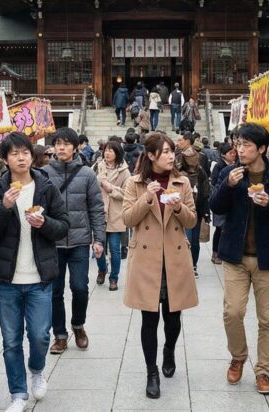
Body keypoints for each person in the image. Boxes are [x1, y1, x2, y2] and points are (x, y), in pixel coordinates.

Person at [0, 132, 70, 411]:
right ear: (5, 159)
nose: (21, 157)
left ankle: (37, 369)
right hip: (7, 280)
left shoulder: (46, 188)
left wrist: (44, 223)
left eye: (25, 152)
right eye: (14, 153)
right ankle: (18, 394)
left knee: (41, 335)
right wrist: (4, 207)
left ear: (32, 156)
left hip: (40, 278)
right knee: (10, 340)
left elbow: (64, 226)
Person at [209, 124, 269, 395]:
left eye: (246, 145)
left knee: (268, 318)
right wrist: (228, 185)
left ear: (261, 149)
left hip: (268, 258)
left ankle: (264, 371)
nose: (240, 149)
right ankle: (238, 356)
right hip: (235, 256)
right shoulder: (229, 173)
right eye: (238, 143)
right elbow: (215, 207)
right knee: (232, 312)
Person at [122, 132, 199, 399]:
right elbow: (127, 220)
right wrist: (147, 198)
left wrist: (178, 208)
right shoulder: (135, 183)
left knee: (173, 316)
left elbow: (192, 221)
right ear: (152, 155)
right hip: (146, 260)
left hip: (174, 258)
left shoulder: (182, 182)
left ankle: (169, 349)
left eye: (171, 151)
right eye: (165, 152)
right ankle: (151, 372)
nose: (170, 156)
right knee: (148, 318)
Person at [41, 127, 106, 355]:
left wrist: (99, 239)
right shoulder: (44, 173)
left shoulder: (87, 174)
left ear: (76, 147)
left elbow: (97, 208)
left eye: (66, 144)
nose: (61, 147)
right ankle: (59, 334)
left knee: (79, 287)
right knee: (55, 291)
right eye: (58, 143)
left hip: (79, 241)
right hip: (52, 243)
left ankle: (78, 325)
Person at [94, 140, 130, 291]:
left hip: (116, 215)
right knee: (98, 248)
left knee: (115, 249)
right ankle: (102, 269)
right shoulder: (98, 167)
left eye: (111, 151)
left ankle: (114, 277)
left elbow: (127, 194)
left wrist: (110, 188)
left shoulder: (124, 171)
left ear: (117, 153)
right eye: (105, 150)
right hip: (100, 213)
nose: (107, 153)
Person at [176, 152, 210, 276]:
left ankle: (193, 265)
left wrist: (206, 212)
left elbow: (206, 192)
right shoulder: (178, 172)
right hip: (181, 209)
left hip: (197, 210)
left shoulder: (201, 172)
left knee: (194, 240)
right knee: (187, 239)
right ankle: (186, 264)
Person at [210, 142, 237, 264]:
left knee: (228, 227)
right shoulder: (219, 166)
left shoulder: (236, 166)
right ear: (223, 155)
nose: (233, 155)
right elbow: (214, 182)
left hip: (232, 201)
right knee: (220, 228)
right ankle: (215, 253)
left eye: (234, 152)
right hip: (221, 198)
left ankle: (225, 251)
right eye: (230, 153)